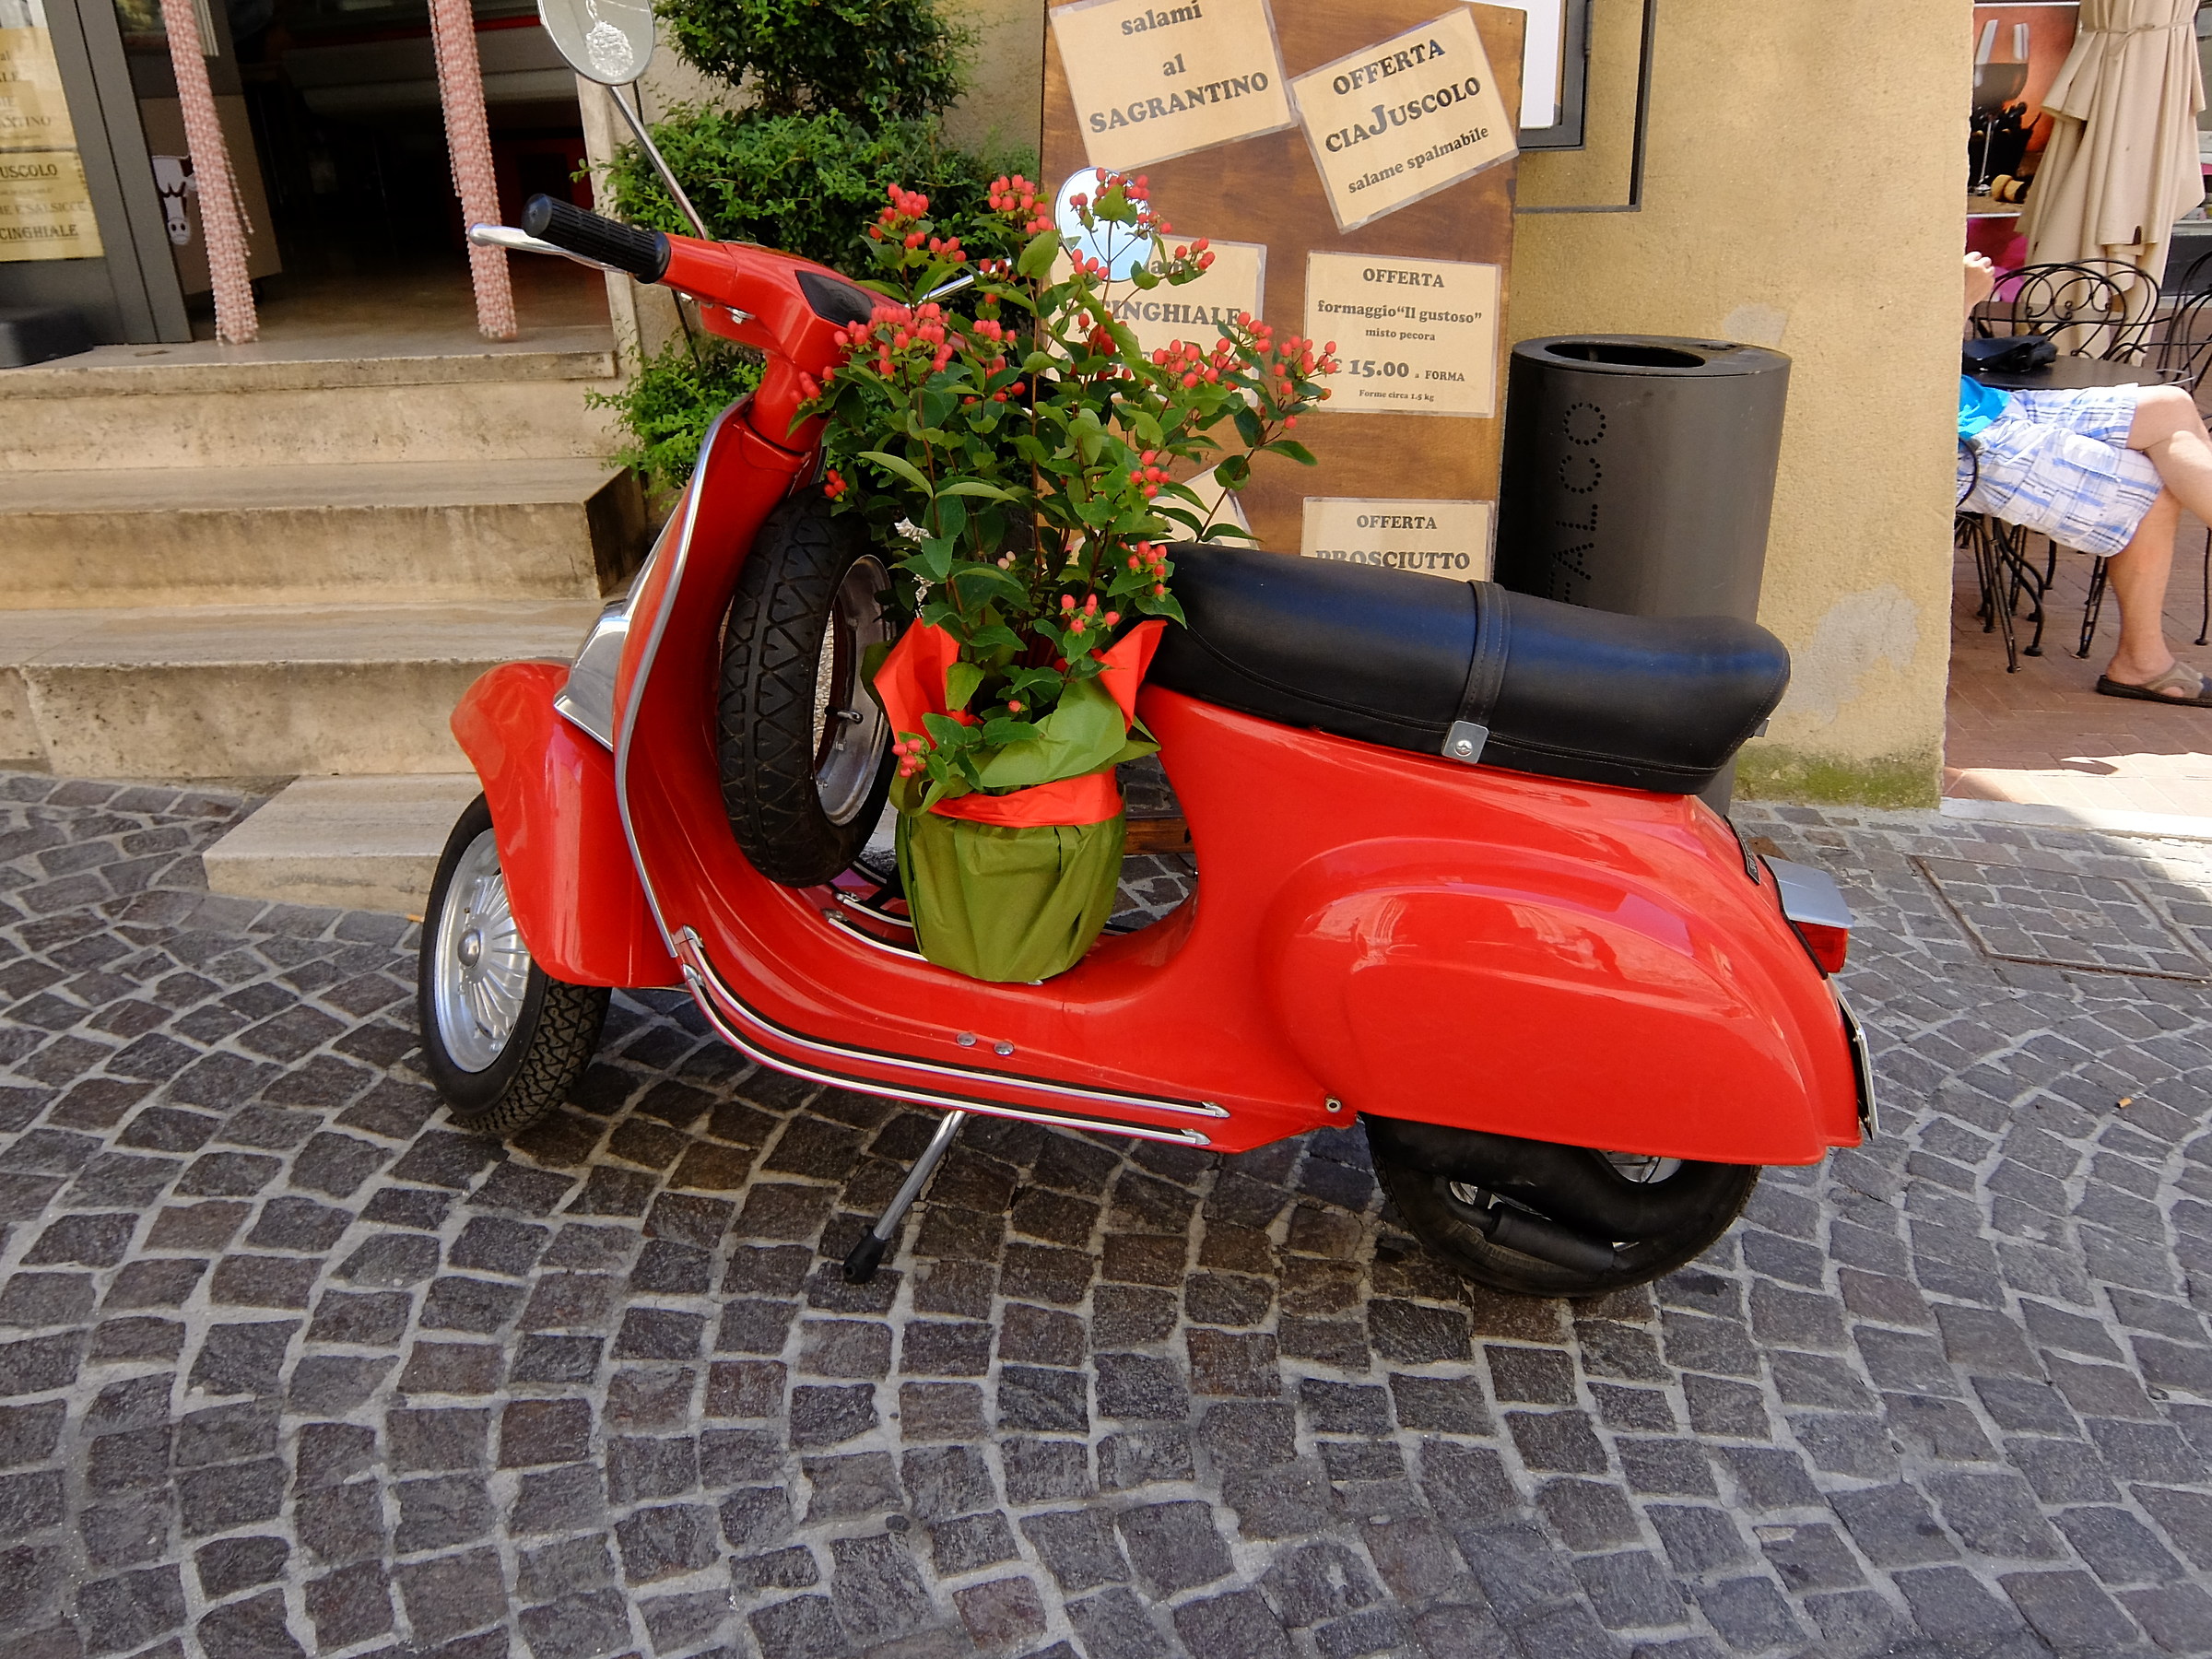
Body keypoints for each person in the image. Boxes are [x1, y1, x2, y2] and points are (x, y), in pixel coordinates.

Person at [1959, 251, 2212, 705]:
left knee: (2171, 404)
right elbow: (1900, 377)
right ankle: (2142, 662)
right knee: (2153, 480)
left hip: (1987, 402)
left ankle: (2142, 662)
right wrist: (1962, 301)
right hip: (1961, 439)